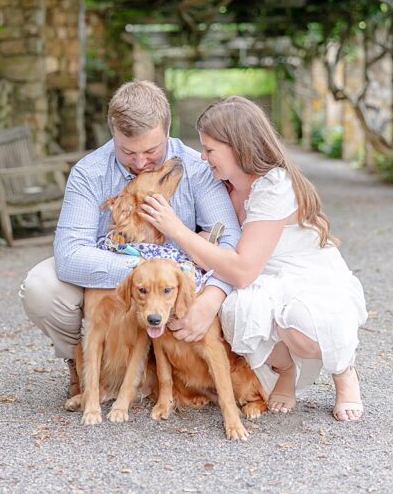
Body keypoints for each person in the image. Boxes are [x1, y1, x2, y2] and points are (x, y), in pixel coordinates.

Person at [140, 96, 367, 422]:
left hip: (301, 274)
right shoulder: (221, 182)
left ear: (237, 147)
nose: (203, 157)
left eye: (209, 149)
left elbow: (243, 270)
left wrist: (177, 229)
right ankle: (284, 370)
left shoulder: (274, 185)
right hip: (260, 275)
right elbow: (223, 249)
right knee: (237, 310)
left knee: (304, 326)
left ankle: (344, 373)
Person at [20, 80, 242, 398]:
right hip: (118, 283)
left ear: (168, 131)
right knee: (41, 287)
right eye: (127, 151)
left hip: (181, 290)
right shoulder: (89, 172)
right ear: (113, 135)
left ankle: (190, 374)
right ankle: (83, 364)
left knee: (239, 291)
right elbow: (69, 255)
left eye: (151, 151)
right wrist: (146, 273)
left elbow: (231, 241)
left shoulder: (196, 168)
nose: (139, 164)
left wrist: (213, 297)